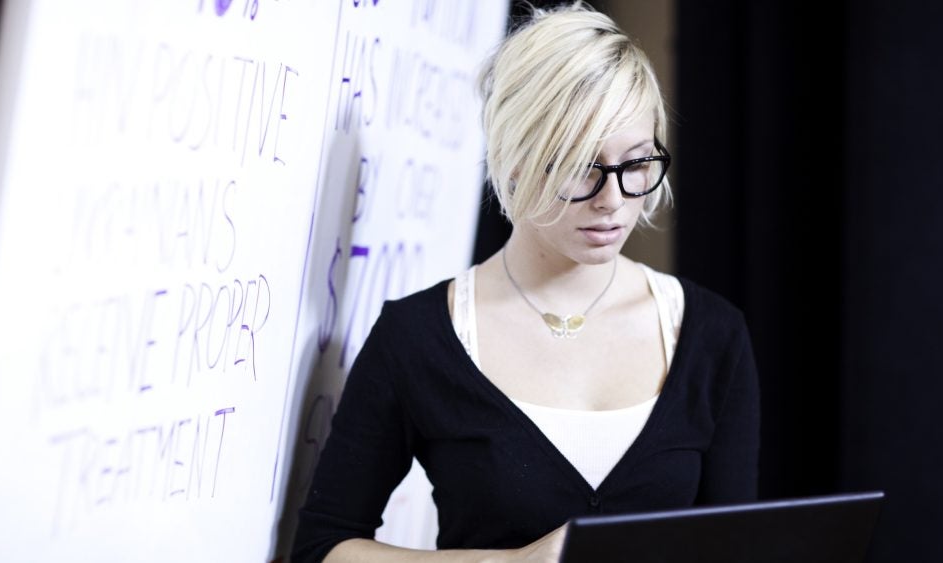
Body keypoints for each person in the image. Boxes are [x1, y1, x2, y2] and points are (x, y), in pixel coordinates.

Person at [292, 3, 759, 562]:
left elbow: (734, 546)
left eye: (636, 164)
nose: (613, 200)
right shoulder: (417, 338)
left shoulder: (710, 335)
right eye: (580, 166)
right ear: (515, 160)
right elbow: (322, 547)